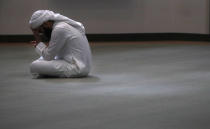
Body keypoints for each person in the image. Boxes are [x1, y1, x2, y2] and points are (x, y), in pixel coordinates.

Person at [29, 10, 92, 78]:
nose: (42, 33)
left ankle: (49, 72)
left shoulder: (59, 29)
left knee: (34, 66)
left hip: (76, 68)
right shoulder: (62, 25)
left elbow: (48, 57)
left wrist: (37, 38)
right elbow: (51, 54)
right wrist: (40, 47)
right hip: (80, 65)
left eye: (40, 30)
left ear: (45, 23)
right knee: (41, 58)